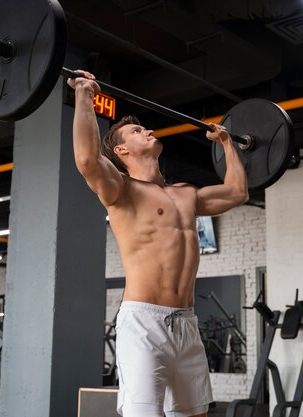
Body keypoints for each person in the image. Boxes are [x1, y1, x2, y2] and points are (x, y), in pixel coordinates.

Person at [68, 70, 248, 417]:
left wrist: (227, 143)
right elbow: (88, 160)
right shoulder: (122, 190)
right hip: (143, 323)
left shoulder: (186, 194)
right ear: (121, 150)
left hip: (187, 323)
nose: (147, 131)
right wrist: (84, 95)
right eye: (137, 131)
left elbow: (238, 191)